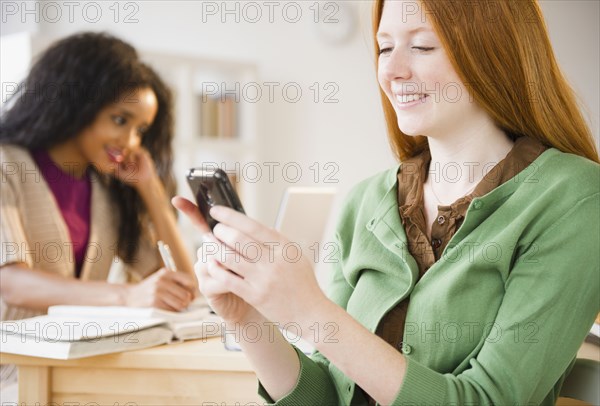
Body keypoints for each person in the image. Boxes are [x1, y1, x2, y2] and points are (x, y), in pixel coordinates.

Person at [174, 0, 599, 404]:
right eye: (384, 47)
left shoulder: (574, 198)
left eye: (421, 46)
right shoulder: (365, 201)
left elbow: (489, 400)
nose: (392, 70)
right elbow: (326, 397)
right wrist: (247, 318)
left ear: (492, 49)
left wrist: (311, 312)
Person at [0, 33, 198, 326]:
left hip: (77, 365)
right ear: (77, 105)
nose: (130, 141)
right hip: (12, 368)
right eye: (120, 120)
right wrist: (127, 296)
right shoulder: (7, 164)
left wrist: (150, 187)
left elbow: (182, 286)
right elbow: (10, 282)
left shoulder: (107, 189)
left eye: (140, 130)